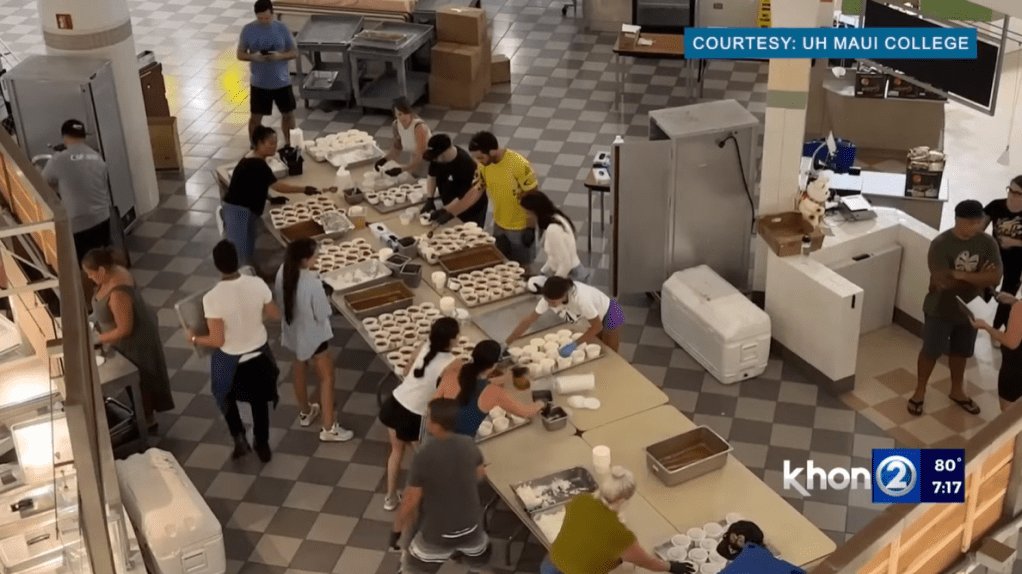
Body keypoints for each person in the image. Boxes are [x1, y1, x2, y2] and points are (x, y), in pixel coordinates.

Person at [189, 240, 282, 462]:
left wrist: (193, 337)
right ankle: (263, 445)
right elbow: (275, 315)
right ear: (237, 260)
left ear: (216, 265)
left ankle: (239, 438)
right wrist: (253, 321)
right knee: (259, 403)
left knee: (224, 396)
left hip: (232, 363)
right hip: (260, 356)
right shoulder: (257, 283)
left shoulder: (212, 298)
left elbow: (217, 339)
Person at [908, 199, 1002, 416]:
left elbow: (996, 276)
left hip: (971, 309)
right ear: (958, 220)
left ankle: (957, 390)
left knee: (962, 352)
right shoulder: (941, 244)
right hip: (940, 308)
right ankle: (919, 391)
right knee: (930, 351)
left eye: (979, 222)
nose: (977, 227)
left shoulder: (988, 243)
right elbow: (944, 281)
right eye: (971, 223)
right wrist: (980, 277)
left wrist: (960, 274)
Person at [388, 398, 493, 574]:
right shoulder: (468, 444)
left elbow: (410, 501)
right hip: (472, 529)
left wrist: (396, 531)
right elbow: (480, 474)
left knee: (411, 569)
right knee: (479, 565)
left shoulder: (425, 455)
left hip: (438, 534)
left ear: (435, 424)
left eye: (428, 417)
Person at [83, 248, 174, 432]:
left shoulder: (117, 294)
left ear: (101, 271)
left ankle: (146, 420)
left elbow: (124, 328)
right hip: (122, 336)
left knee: (141, 380)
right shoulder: (112, 272)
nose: (90, 278)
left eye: (91, 274)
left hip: (135, 342)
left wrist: (98, 338)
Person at [541, 466, 694, 574]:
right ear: (622, 500)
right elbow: (646, 562)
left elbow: (585, 530)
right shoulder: (620, 535)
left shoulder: (580, 499)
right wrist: (670, 567)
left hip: (550, 564)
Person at [275, 238, 354, 443]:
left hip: (292, 329)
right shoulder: (312, 283)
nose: (318, 258)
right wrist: (326, 293)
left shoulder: (283, 271)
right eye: (315, 256)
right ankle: (328, 427)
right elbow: (323, 313)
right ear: (304, 260)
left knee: (299, 366)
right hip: (314, 334)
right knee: (327, 377)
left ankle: (305, 411)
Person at [379, 317, 461, 511]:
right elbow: (450, 394)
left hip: (395, 402)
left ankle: (390, 498)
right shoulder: (454, 363)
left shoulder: (423, 346)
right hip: (415, 414)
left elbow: (407, 370)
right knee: (423, 456)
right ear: (451, 340)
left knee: (396, 452)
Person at [223, 126, 326, 271]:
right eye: (270, 143)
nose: (274, 147)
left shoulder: (251, 158)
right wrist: (304, 189)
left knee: (249, 247)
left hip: (247, 210)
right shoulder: (257, 165)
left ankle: (256, 275)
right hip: (237, 211)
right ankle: (243, 283)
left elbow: (254, 185)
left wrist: (270, 199)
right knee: (239, 253)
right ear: (258, 143)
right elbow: (277, 186)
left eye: (275, 143)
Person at [41, 119, 111, 301]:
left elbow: (44, 183)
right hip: (102, 217)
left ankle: (88, 305)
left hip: (78, 222)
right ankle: (107, 296)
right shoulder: (97, 157)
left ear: (64, 137)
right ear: (83, 137)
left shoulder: (59, 159)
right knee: (100, 260)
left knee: (84, 266)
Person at [433, 340, 544, 437]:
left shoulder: (452, 372)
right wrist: (542, 403)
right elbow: (525, 412)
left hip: (435, 436)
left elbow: (431, 406)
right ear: (494, 365)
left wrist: (505, 378)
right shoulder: (493, 393)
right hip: (460, 445)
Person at [468, 131, 539, 265]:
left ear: (492, 151)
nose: (479, 162)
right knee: (500, 264)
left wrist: (530, 227)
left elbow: (533, 196)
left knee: (523, 267)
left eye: (481, 157)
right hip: (499, 225)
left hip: (520, 227)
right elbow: (479, 188)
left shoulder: (518, 164)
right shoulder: (484, 166)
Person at [506, 277, 624, 354]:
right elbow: (529, 321)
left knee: (610, 352)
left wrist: (573, 345)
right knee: (597, 346)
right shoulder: (548, 298)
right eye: (547, 301)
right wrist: (507, 342)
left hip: (611, 312)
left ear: (564, 296)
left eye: (553, 302)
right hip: (592, 318)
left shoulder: (580, 299)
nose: (550, 305)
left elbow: (597, 326)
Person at [237, 0, 297, 145]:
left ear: (272, 13)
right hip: (260, 82)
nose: (264, 21)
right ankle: (254, 145)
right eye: (261, 18)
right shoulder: (248, 30)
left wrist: (278, 56)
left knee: (288, 114)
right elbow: (240, 54)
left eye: (267, 18)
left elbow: (294, 52)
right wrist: (254, 57)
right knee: (256, 117)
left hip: (281, 81)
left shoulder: (282, 29)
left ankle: (290, 143)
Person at [420, 134, 488, 228]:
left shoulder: (465, 164)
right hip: (451, 205)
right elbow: (432, 176)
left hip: (470, 209)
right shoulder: (438, 159)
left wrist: (445, 210)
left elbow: (463, 198)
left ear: (444, 153)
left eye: (435, 157)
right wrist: (430, 199)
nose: (434, 160)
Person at [984, 175, 1022, 336]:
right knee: (984, 288)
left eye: (1018, 193)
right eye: (1010, 190)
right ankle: (968, 318)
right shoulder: (996, 206)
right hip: (994, 259)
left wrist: (1014, 243)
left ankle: (997, 329)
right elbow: (979, 227)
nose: (1012, 195)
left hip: (1016, 263)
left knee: (1007, 296)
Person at [519, 191, 587, 280]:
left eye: (527, 213)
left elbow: (565, 265)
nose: (526, 217)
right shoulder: (556, 217)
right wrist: (543, 273)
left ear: (536, 212)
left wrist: (553, 286)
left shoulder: (553, 230)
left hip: (571, 277)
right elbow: (554, 256)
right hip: (568, 273)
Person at [973, 293, 1022, 412]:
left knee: (1009, 415)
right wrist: (1014, 301)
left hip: (1015, 370)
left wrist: (986, 327)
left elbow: (1011, 342)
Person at [375, 98, 432, 179]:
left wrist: (401, 170)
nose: (403, 117)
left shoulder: (419, 128)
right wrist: (385, 159)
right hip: (413, 162)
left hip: (428, 164)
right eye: (399, 114)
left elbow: (421, 155)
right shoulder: (396, 125)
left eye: (405, 113)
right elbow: (397, 148)